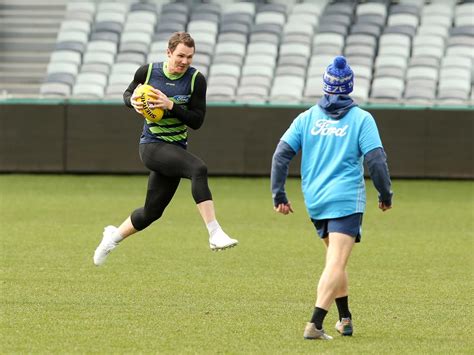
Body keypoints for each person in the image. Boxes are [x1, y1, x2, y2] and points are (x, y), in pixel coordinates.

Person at [271, 56, 393, 340]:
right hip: (346, 199)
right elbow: (376, 160)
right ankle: (315, 323)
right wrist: (385, 194)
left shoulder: (307, 118)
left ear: (325, 85)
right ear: (349, 86)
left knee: (335, 259)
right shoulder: (362, 119)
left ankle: (345, 319)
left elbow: (280, 155)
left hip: (316, 199)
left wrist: (279, 194)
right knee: (336, 261)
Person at [93, 32, 238, 266]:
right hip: (151, 146)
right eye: (180, 55)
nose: (185, 61)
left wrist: (170, 105)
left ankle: (112, 237)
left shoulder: (195, 80)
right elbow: (127, 94)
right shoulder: (148, 72)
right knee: (197, 168)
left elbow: (196, 121)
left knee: (151, 212)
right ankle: (214, 233)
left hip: (175, 147)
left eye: (190, 57)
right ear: (169, 52)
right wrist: (133, 102)